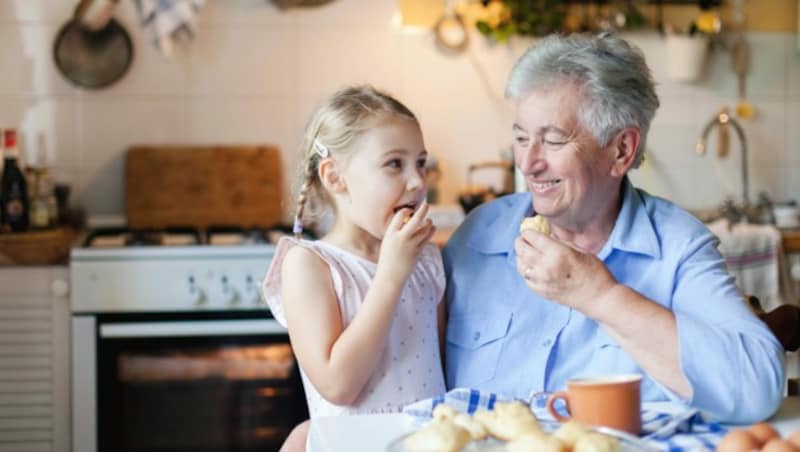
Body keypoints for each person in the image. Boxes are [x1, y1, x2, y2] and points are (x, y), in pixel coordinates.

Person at [442, 33, 784, 424]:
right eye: (521, 138)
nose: (529, 162)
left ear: (621, 150)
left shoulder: (677, 248)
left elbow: (758, 388)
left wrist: (599, 296)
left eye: (553, 140)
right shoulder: (477, 238)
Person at [263, 85, 446, 450]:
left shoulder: (426, 260)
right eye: (394, 163)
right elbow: (338, 386)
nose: (417, 181)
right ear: (335, 177)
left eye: (421, 163)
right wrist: (392, 275)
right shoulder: (309, 265)